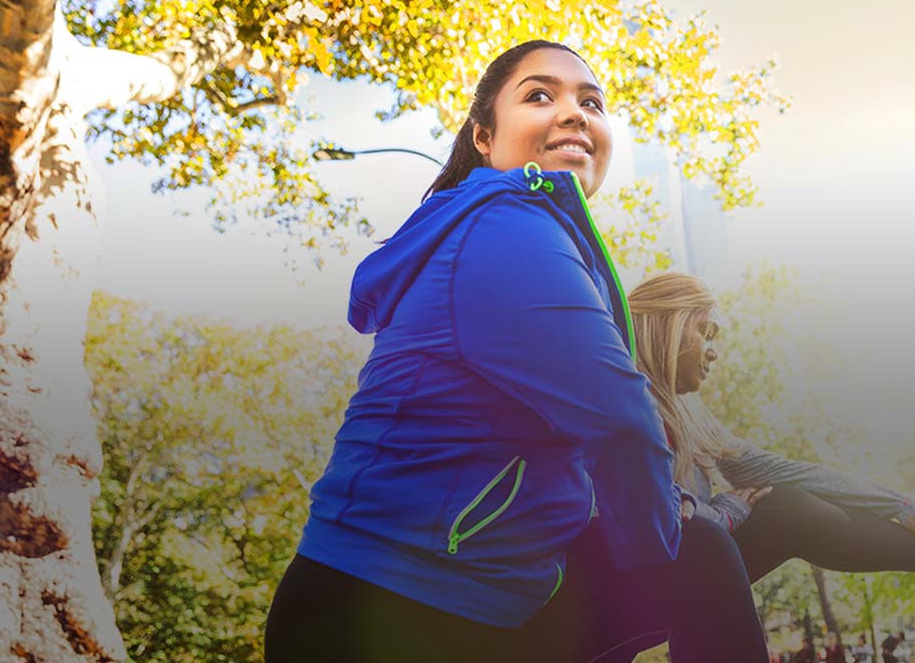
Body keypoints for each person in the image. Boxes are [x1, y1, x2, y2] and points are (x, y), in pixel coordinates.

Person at [263, 41, 768, 662]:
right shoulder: (506, 228)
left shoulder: (519, 228)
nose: (576, 112)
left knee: (688, 548)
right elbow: (620, 420)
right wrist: (663, 543)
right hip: (385, 611)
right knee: (697, 556)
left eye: (591, 102)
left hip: (476, 595)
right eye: (539, 95)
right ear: (484, 137)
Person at [626, 272, 915, 607]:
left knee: (788, 501)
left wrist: (894, 503)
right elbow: (665, 520)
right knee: (784, 512)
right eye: (706, 332)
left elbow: (788, 472)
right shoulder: (627, 403)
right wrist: (728, 510)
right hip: (646, 583)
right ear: (669, 324)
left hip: (687, 568)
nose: (714, 352)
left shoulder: (691, 416)